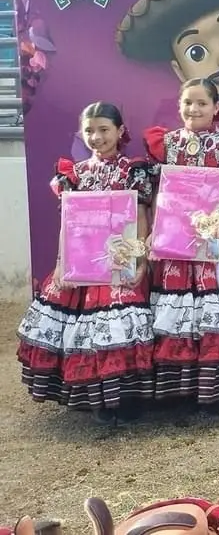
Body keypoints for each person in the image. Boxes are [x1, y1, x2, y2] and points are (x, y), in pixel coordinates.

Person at [16, 102, 155, 424]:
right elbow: (69, 222)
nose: (96, 137)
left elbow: (143, 217)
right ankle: (95, 398)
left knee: (120, 328)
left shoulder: (134, 171)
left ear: (120, 131)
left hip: (120, 263)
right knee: (85, 331)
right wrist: (63, 263)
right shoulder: (73, 175)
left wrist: (140, 260)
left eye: (104, 129)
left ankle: (126, 398)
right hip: (83, 265)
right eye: (89, 130)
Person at [144, 80, 219, 413]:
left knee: (218, 307)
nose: (193, 110)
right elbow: (156, 196)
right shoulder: (165, 145)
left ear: (216, 107)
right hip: (176, 243)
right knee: (178, 311)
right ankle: (179, 387)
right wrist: (156, 228)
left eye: (201, 104)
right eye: (187, 103)